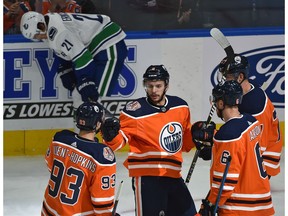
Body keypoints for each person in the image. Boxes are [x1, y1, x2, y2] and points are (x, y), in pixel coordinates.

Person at [101, 65, 197, 216]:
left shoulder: (180, 106)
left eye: (158, 86)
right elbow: (119, 142)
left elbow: (184, 144)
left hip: (172, 175)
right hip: (147, 178)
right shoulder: (135, 111)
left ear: (166, 85)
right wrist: (110, 136)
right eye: (149, 86)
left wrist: (198, 136)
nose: (154, 90)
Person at [20, 11, 128, 119]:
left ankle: (109, 129)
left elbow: (83, 58)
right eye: (35, 36)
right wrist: (65, 69)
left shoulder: (59, 32)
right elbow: (66, 49)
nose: (40, 36)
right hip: (96, 46)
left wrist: (85, 80)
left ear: (41, 23)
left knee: (90, 94)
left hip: (109, 44)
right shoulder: (49, 21)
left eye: (39, 30)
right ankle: (82, 133)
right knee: (79, 95)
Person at [195, 80, 275, 215]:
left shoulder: (228, 135)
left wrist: (209, 204)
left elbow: (225, 182)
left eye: (215, 101)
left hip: (239, 208)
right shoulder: (251, 121)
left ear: (221, 103)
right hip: (262, 204)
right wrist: (215, 141)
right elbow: (241, 149)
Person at [42, 101, 119, 216]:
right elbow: (101, 203)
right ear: (98, 124)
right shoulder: (101, 156)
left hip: (49, 210)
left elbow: (50, 166)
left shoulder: (60, 138)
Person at [218, 54, 282, 177]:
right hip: (261, 147)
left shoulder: (254, 105)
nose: (224, 81)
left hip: (264, 159)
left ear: (240, 77)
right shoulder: (246, 87)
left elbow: (255, 144)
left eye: (227, 77)